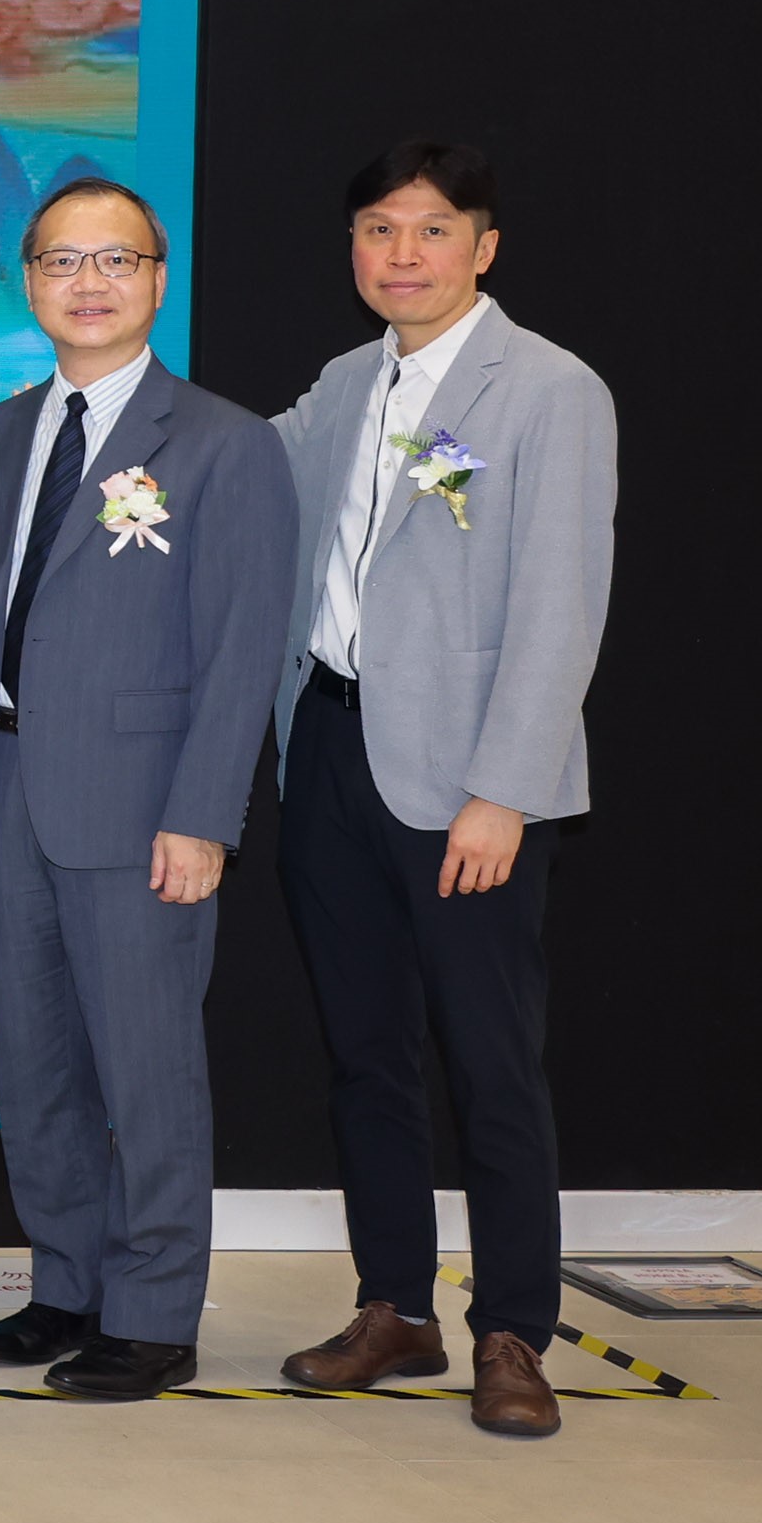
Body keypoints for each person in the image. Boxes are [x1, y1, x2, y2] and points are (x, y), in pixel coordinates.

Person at [0, 176, 296, 1401]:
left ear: (156, 279)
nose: (89, 282)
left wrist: (203, 816)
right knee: (34, 1066)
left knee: (146, 1068)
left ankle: (153, 1312)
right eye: (63, 261)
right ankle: (64, 1285)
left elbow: (243, 651)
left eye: (115, 260)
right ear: (27, 281)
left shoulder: (224, 443)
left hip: (141, 809)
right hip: (1, 787)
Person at [263, 142, 611, 1437]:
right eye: (375, 228)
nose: (399, 253)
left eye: (428, 229)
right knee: (365, 1056)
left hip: (467, 784)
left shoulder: (550, 390)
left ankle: (511, 1330)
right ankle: (393, 1308)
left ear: (483, 244)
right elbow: (238, 475)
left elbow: (561, 605)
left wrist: (503, 789)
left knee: (490, 1063)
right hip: (330, 752)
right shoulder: (346, 382)